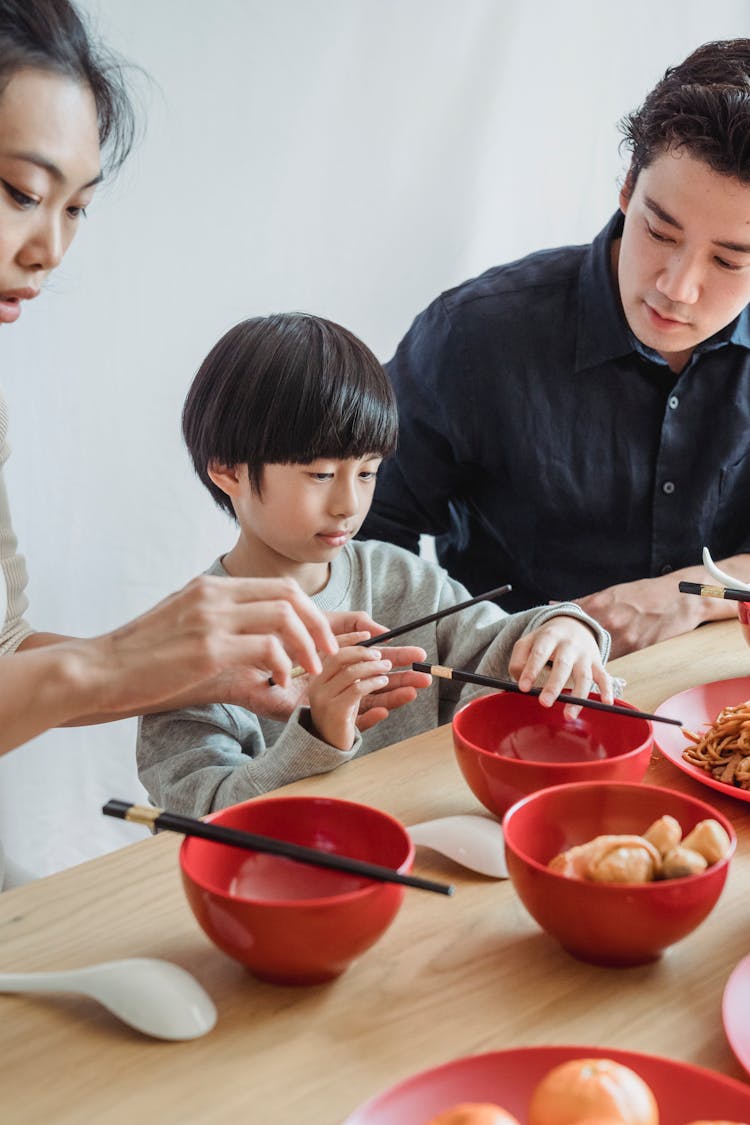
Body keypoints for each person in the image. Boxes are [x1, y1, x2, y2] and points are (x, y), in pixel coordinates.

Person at [0, 1, 418, 765]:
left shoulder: (392, 580)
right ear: (227, 470)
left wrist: (178, 664)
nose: (50, 251)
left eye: (78, 209)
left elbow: (8, 651)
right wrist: (124, 659)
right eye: (22, 193)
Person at [360, 39, 750, 659]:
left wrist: (691, 593)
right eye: (659, 230)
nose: (677, 288)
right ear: (626, 188)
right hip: (504, 709)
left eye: (728, 260)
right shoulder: (474, 335)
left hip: (721, 707)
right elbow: (360, 538)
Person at [136, 312, 612, 817]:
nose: (348, 504)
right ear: (227, 471)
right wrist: (317, 734)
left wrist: (561, 628)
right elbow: (199, 818)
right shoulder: (191, 637)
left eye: (368, 472)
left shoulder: (398, 577)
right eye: (320, 474)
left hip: (434, 850)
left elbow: (496, 653)